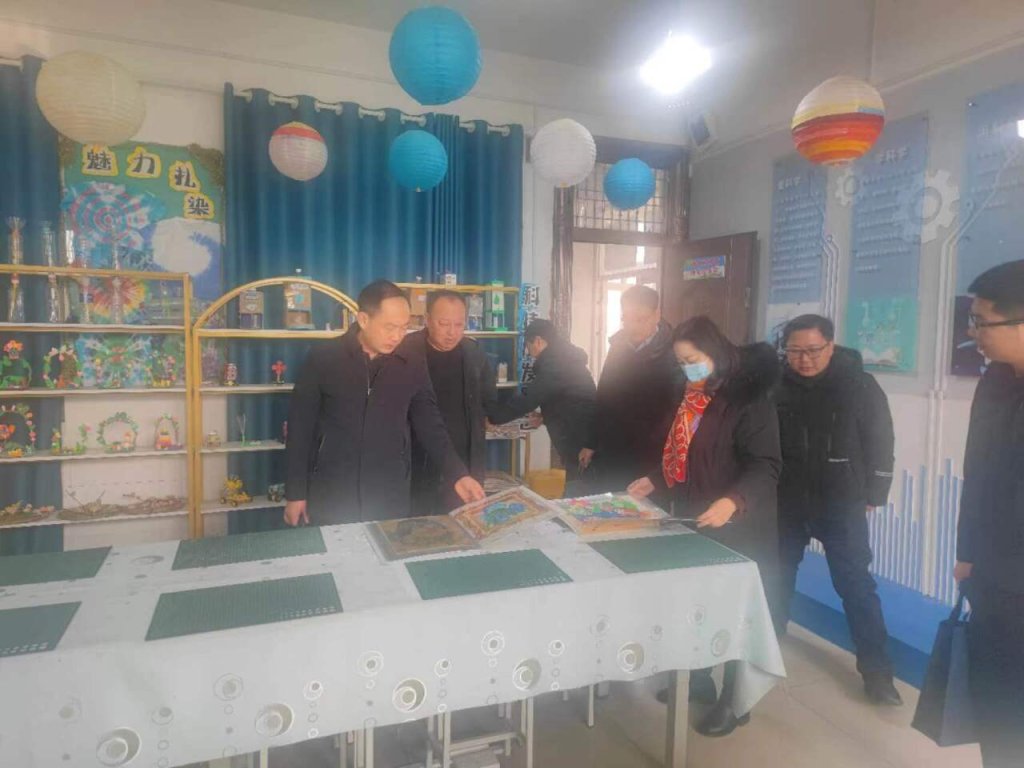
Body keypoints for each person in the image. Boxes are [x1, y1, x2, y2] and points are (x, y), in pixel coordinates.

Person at [629, 316, 781, 737]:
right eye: (681, 362)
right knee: (697, 604)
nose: (687, 368)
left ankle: (734, 701)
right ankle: (697, 679)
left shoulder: (749, 399)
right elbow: (687, 455)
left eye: (693, 359)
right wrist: (656, 480)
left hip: (739, 522)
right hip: (694, 515)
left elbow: (766, 466)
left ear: (716, 352)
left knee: (733, 612)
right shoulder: (691, 396)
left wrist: (733, 501)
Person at [773, 314, 902, 707]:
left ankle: (878, 674)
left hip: (840, 501)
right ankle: (768, 645)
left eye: (813, 350)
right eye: (795, 351)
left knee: (856, 585)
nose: (804, 359)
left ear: (830, 345)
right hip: (788, 499)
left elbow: (881, 440)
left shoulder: (859, 385)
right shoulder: (775, 385)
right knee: (776, 575)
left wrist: (875, 491)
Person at [283, 280, 484, 526]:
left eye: (404, 328)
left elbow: (431, 424)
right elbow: (300, 428)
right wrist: (295, 492)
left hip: (389, 493)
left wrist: (458, 474)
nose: (397, 336)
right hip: (332, 491)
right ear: (363, 319)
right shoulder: (324, 359)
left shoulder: (411, 363)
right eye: (389, 327)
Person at [954, 260, 1024, 767]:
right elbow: (976, 475)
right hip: (994, 578)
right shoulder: (996, 381)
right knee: (997, 702)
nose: (972, 332)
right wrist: (967, 553)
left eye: (982, 322)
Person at [401, 290, 500, 515]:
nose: (452, 332)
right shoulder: (406, 351)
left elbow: (489, 396)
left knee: (465, 521)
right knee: (422, 524)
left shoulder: (472, 352)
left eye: (459, 324)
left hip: (465, 460)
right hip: (419, 459)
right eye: (444, 324)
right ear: (427, 320)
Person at [579, 285, 677, 494]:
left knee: (645, 508)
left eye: (640, 319)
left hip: (651, 454)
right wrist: (591, 442)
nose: (632, 326)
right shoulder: (618, 346)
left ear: (657, 315)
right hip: (613, 448)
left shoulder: (673, 352)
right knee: (610, 504)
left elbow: (676, 409)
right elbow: (604, 395)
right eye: (626, 319)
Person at [487, 319, 597, 487]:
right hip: (580, 431)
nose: (528, 351)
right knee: (577, 481)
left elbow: (530, 399)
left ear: (538, 341)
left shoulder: (556, 362)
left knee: (579, 486)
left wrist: (494, 417)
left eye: (528, 345)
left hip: (580, 436)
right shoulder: (563, 358)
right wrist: (545, 416)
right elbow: (566, 396)